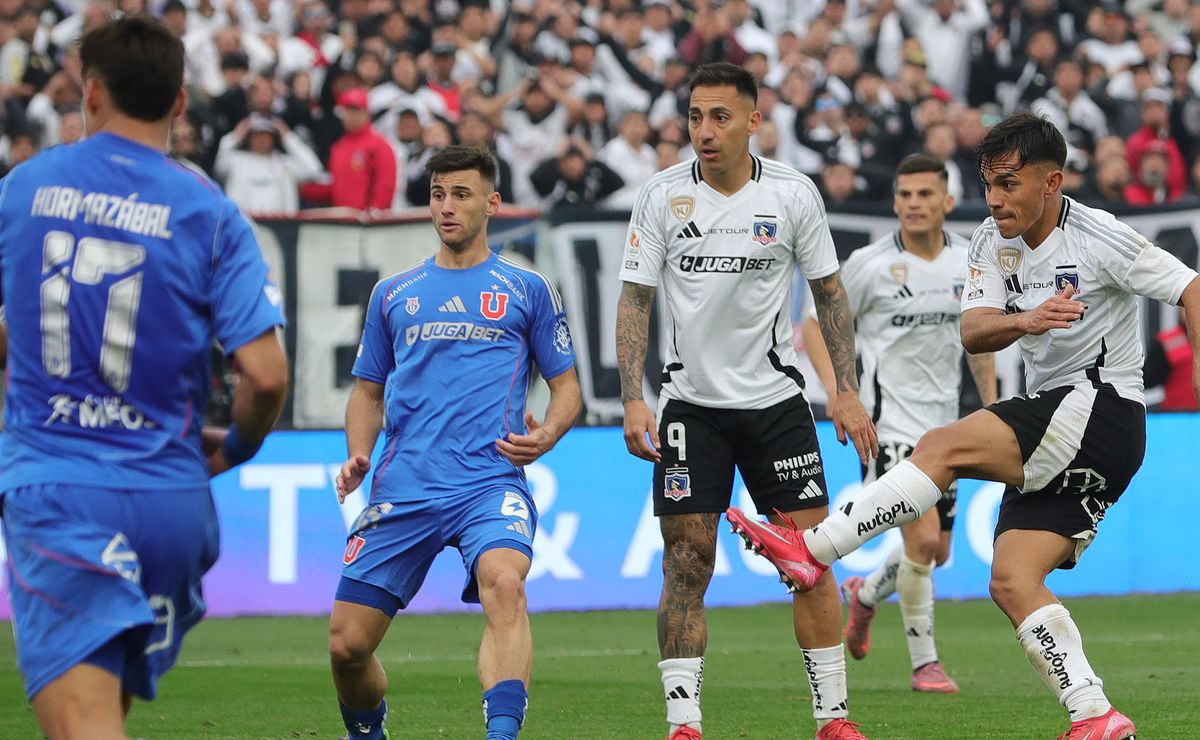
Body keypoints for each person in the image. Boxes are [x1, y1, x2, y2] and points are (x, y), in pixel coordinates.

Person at [729, 112, 1200, 739]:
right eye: (989, 184)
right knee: (1010, 578)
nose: (996, 199)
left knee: (941, 446)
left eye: (1010, 184)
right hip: (1064, 418)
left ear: (1052, 181)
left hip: (1101, 406)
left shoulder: (1099, 237)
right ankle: (1095, 714)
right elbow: (974, 329)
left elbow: (1190, 287)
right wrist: (1029, 320)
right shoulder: (988, 238)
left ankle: (814, 550)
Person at [0, 15, 288, 738]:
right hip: (172, 502)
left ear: (90, 94)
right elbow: (265, 375)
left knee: (82, 725)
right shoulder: (212, 214)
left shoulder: (23, 189)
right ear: (181, 103)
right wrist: (240, 448)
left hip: (62, 485)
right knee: (102, 708)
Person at [616, 62, 876, 740]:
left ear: (754, 120)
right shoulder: (662, 195)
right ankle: (684, 724)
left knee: (810, 558)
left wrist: (844, 389)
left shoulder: (792, 195)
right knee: (686, 561)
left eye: (720, 117)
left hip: (774, 406)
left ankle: (833, 719)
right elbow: (635, 299)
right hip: (689, 408)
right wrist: (632, 400)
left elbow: (829, 292)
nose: (704, 131)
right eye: (695, 117)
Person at [328, 145, 582, 740]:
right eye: (438, 193)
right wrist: (357, 453)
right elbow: (367, 392)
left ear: (492, 203)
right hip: (404, 484)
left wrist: (545, 432)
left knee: (505, 583)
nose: (447, 206)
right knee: (346, 646)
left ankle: (501, 735)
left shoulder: (528, 287)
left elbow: (567, 387)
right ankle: (367, 732)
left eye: (461, 194)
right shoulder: (394, 293)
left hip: (487, 482)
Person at [800, 153, 998, 693]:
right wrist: (843, 392)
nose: (914, 204)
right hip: (887, 425)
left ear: (947, 202)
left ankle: (864, 594)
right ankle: (924, 664)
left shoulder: (969, 263)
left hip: (946, 428)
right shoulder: (869, 264)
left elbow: (978, 341)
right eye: (905, 195)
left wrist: (991, 404)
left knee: (938, 551)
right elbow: (814, 328)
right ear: (895, 203)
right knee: (923, 540)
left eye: (925, 194)